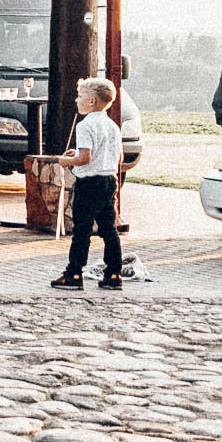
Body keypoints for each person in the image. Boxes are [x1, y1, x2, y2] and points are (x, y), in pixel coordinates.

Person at [51, 76, 125, 291]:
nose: (77, 100)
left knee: (82, 229)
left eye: (80, 96)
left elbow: (85, 158)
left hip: (89, 183)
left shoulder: (85, 125)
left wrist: (66, 161)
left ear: (92, 101)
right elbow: (118, 158)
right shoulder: (112, 126)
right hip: (108, 180)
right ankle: (113, 273)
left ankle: (74, 273)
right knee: (108, 228)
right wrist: (81, 154)